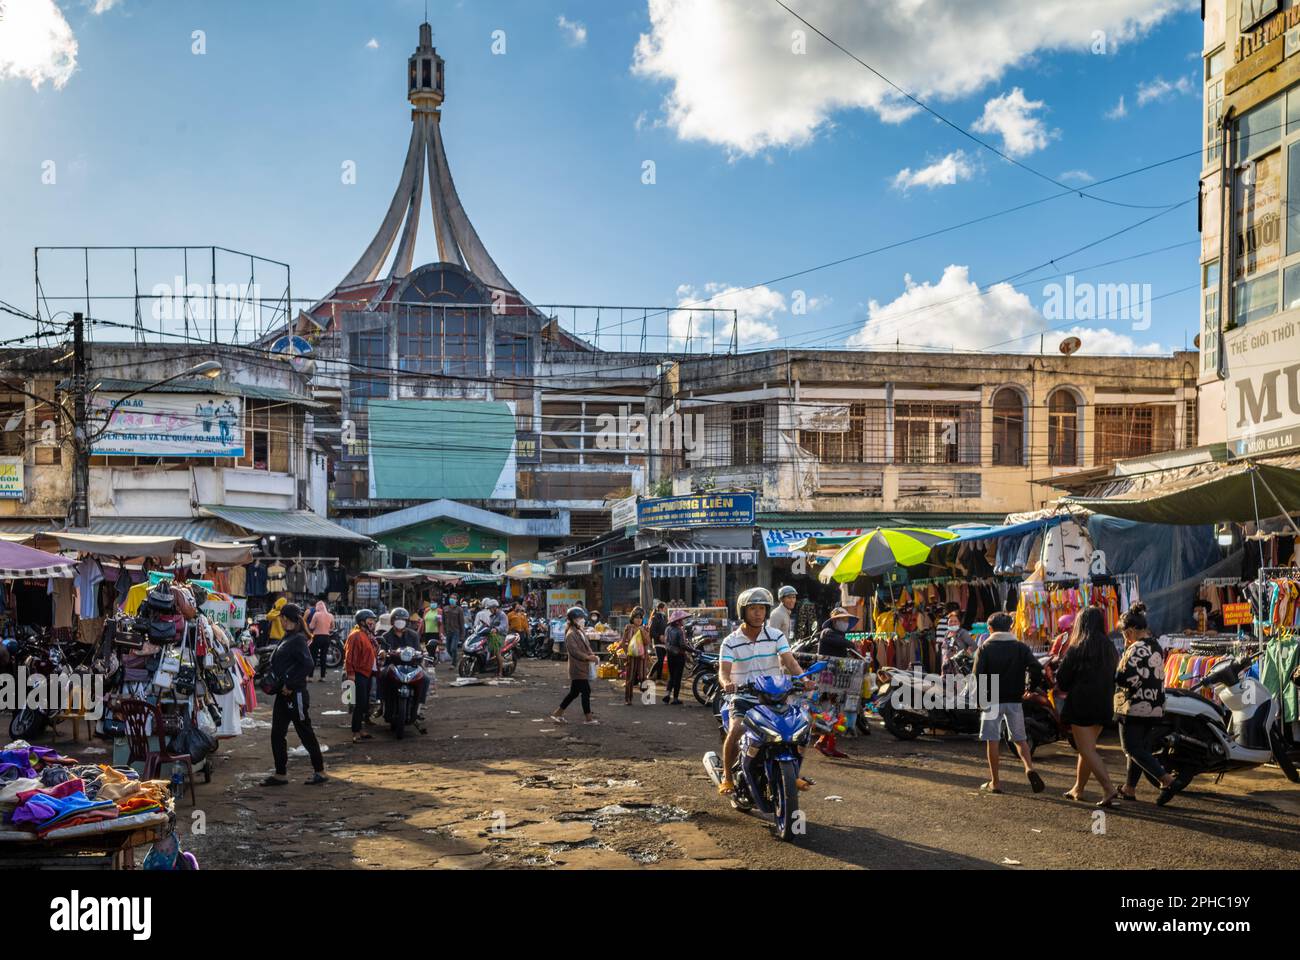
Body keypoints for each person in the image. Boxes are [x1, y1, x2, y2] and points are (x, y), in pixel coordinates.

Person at [717, 587, 805, 796]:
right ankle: (727, 777)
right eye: (753, 609)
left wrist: (804, 679)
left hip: (773, 697)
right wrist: (727, 683)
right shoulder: (730, 641)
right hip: (743, 698)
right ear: (743, 612)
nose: (758, 613)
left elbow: (790, 661)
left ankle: (794, 774)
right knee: (737, 729)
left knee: (799, 731)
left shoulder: (776, 636)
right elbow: (723, 672)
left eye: (762, 609)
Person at [970, 611, 1045, 795]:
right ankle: (1028, 768)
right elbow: (1036, 667)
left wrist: (980, 699)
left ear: (989, 629)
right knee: (1020, 739)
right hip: (1014, 697)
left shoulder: (984, 648)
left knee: (992, 740)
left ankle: (995, 782)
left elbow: (977, 677)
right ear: (1010, 627)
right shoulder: (1020, 647)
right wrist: (1030, 686)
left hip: (992, 696)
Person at [1114, 602, 1181, 805]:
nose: (1125, 638)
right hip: (1155, 706)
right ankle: (1129, 788)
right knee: (1139, 747)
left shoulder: (1135, 649)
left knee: (1131, 748)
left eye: (1125, 634)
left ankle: (1166, 780)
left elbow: (1122, 677)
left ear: (1131, 631)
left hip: (1133, 706)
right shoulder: (1156, 646)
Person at [1055, 606, 1121, 807]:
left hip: (1082, 704)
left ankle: (1108, 788)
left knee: (1086, 750)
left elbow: (1063, 680)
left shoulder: (1077, 647)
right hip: (1104, 703)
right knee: (1087, 749)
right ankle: (1078, 788)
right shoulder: (1110, 647)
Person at [263, 604, 328, 786]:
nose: (280, 621)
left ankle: (320, 771)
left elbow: (307, 664)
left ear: (285, 618)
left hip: (295, 694)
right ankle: (280, 774)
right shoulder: (288, 636)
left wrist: (290, 684)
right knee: (277, 734)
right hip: (282, 695)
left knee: (304, 732)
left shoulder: (297, 639)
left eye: (281, 618)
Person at [812, 607, 857, 758]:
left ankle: (826, 743)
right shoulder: (828, 633)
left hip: (836, 678)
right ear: (835, 621)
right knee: (831, 712)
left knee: (835, 713)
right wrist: (851, 645)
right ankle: (825, 743)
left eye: (846, 620)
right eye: (842, 620)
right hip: (827, 679)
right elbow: (841, 642)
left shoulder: (839, 635)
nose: (845, 623)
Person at [378, 607, 428, 730]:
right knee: (381, 676)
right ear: (392, 621)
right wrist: (382, 652)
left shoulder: (413, 635)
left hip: (412, 666)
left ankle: (418, 707)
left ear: (407, 621)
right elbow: (382, 650)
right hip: (392, 665)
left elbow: (419, 651)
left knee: (426, 679)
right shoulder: (386, 636)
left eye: (403, 619)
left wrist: (423, 654)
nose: (400, 622)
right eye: (397, 619)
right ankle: (382, 704)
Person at [551, 606, 599, 725]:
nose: (582, 620)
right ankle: (588, 718)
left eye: (582, 617)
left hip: (583, 667)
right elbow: (575, 652)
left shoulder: (579, 631)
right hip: (577, 668)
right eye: (580, 618)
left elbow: (586, 646)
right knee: (586, 691)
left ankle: (558, 713)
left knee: (574, 693)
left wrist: (592, 655)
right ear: (573, 619)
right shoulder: (570, 634)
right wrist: (588, 657)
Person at [344, 609, 379, 743]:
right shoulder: (356, 635)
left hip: (367, 673)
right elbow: (349, 656)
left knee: (364, 703)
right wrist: (351, 674)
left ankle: (361, 729)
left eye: (373, 620)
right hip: (359, 674)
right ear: (362, 621)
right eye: (370, 620)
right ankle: (355, 732)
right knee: (359, 704)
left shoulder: (367, 635)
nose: (373, 623)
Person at [621, 606, 652, 705]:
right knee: (630, 678)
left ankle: (646, 696)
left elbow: (647, 642)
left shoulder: (645, 628)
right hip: (631, 657)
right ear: (632, 618)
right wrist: (626, 654)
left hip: (642, 657)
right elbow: (623, 642)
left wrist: (642, 631)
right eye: (636, 617)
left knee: (643, 677)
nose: (638, 620)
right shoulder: (628, 628)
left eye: (640, 618)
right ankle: (628, 699)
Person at [662, 607, 689, 705]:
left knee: (671, 675)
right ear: (678, 621)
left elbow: (666, 641)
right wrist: (692, 650)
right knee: (677, 677)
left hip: (669, 654)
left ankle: (667, 694)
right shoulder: (679, 630)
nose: (682, 621)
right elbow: (682, 645)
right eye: (681, 620)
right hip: (679, 656)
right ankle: (675, 698)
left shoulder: (667, 629)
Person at [306, 600, 334, 682]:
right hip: (327, 638)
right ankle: (323, 677)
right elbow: (332, 627)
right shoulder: (330, 615)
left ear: (317, 607)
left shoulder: (316, 614)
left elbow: (311, 626)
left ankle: (310, 677)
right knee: (323, 657)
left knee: (313, 657)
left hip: (317, 637)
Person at [441, 595, 465, 665]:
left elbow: (461, 622)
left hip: (456, 632)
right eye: (451, 598)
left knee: (453, 648)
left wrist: (462, 635)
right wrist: (443, 631)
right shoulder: (445, 608)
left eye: (454, 598)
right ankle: (455, 659)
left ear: (457, 600)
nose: (452, 599)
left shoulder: (459, 609)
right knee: (448, 649)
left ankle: (454, 663)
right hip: (448, 632)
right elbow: (443, 621)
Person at [648, 602, 668, 681]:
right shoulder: (655, 617)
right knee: (660, 660)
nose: (666, 609)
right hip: (657, 643)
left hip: (664, 643)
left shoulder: (665, 617)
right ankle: (650, 675)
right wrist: (659, 636)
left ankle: (659, 679)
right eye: (665, 608)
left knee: (661, 660)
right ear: (660, 608)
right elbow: (652, 631)